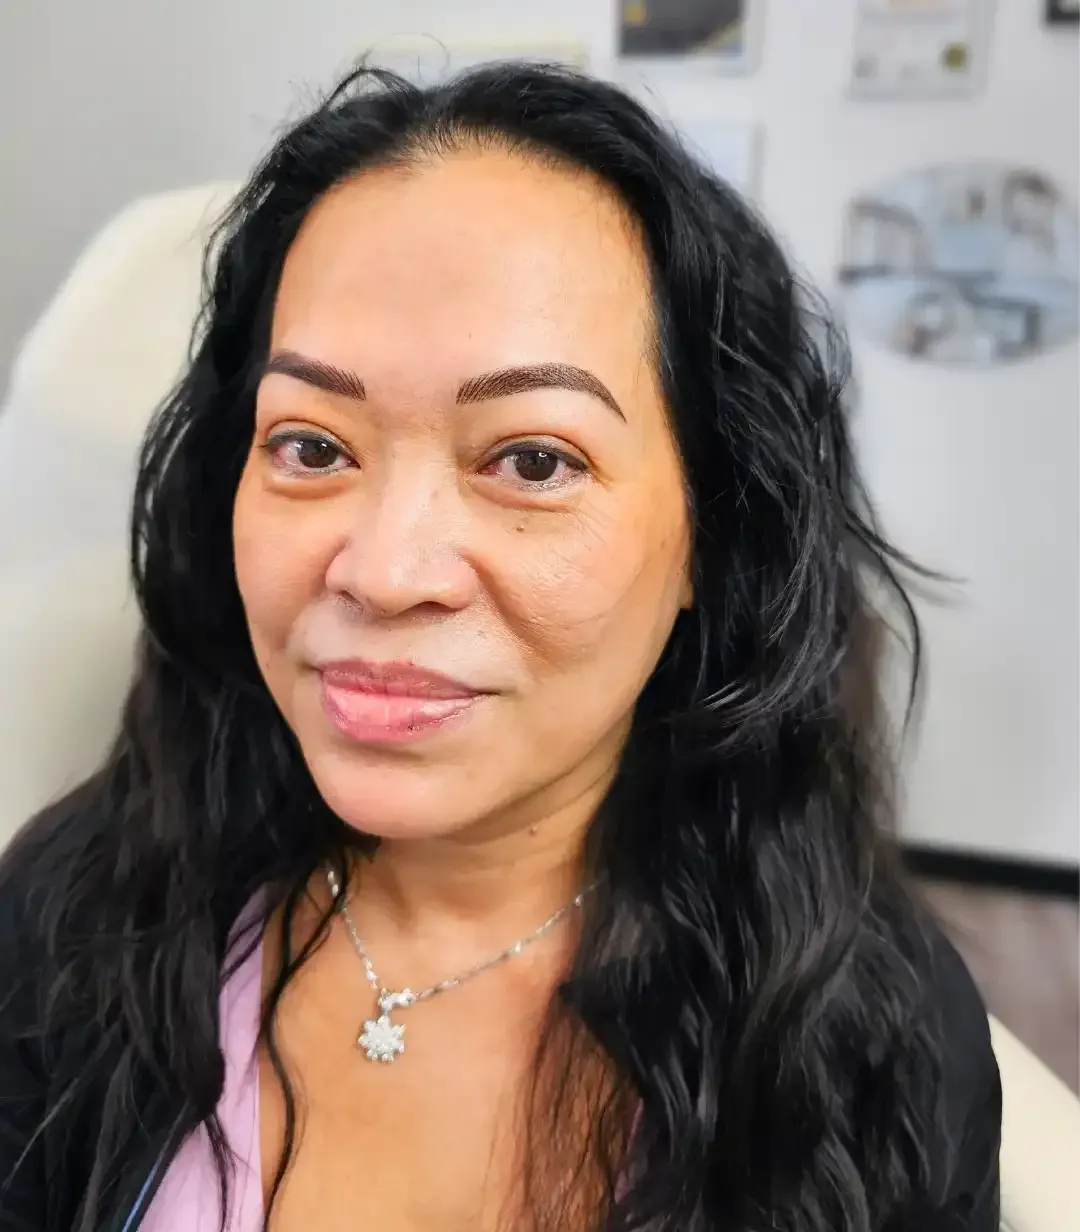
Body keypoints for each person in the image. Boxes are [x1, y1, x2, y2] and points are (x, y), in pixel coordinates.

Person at [0, 62, 1000, 1232]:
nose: (383, 569)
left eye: (533, 460)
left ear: (713, 542)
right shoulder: (80, 915)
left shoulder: (865, 1038)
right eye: (312, 445)